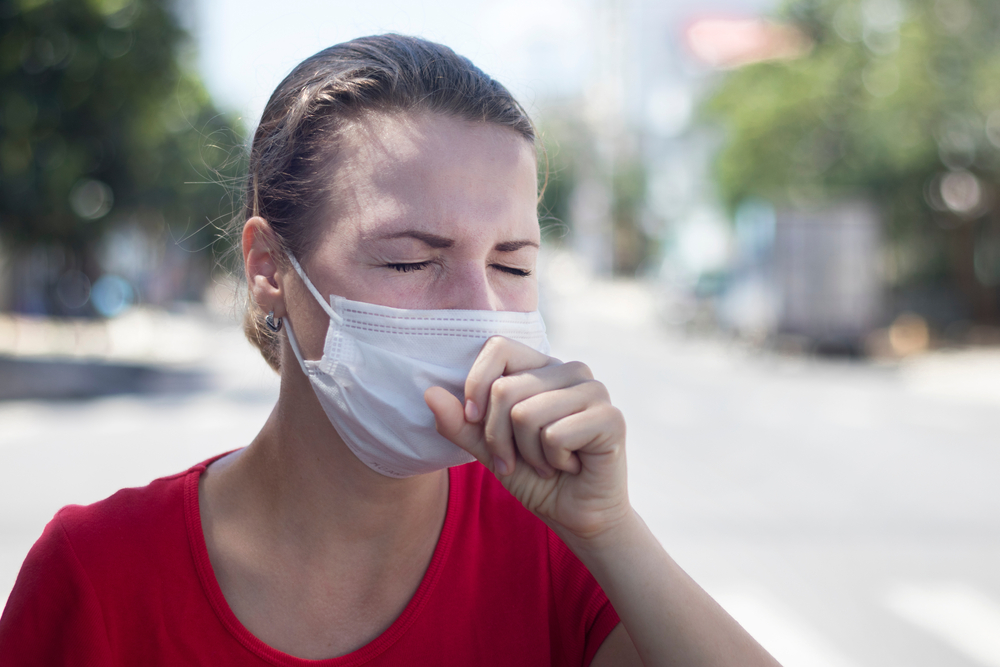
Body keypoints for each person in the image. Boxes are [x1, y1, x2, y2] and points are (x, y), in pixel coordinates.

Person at [0, 34, 781, 666]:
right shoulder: (97, 573)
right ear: (269, 269)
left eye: (513, 263)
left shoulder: (558, 553)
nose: (482, 312)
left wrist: (613, 532)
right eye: (410, 260)